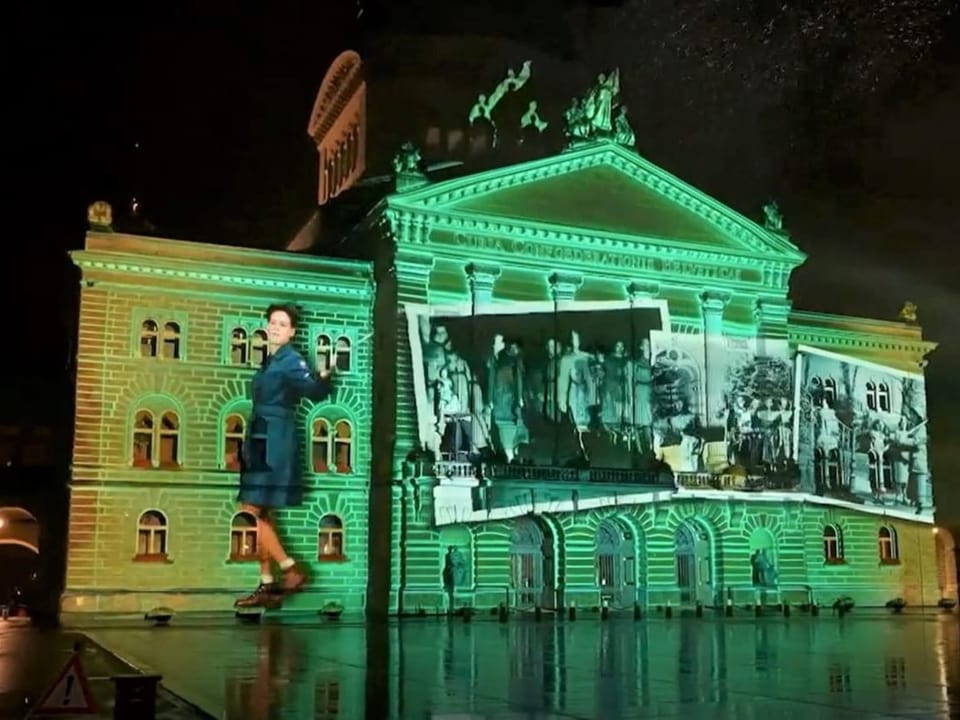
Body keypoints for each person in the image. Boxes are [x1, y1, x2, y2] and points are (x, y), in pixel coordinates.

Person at [235, 303, 334, 609]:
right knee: (264, 512)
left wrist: (322, 378)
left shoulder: (291, 360)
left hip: (275, 437)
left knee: (254, 507)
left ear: (292, 331)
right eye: (273, 323)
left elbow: (312, 391)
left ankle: (290, 570)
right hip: (262, 435)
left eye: (283, 324)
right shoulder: (271, 361)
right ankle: (267, 583)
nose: (276, 327)